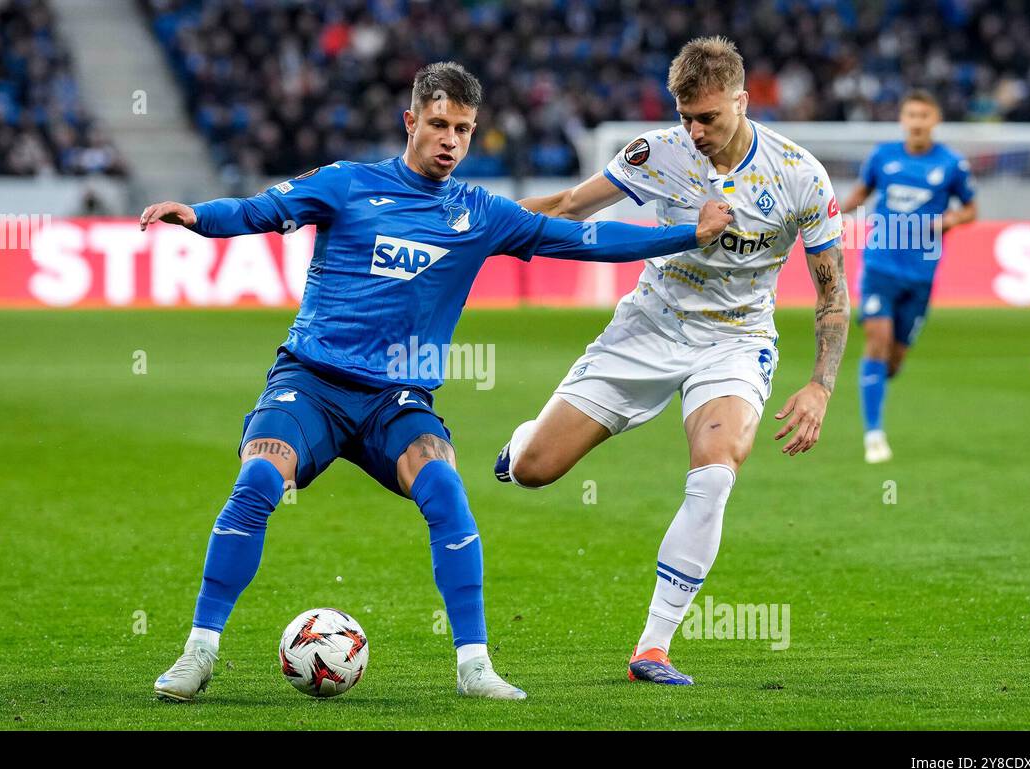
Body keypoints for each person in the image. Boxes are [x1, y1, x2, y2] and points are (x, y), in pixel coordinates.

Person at [142, 61, 733, 701]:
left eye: (465, 129)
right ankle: (198, 654)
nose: (451, 140)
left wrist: (684, 235)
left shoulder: (480, 213)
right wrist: (198, 216)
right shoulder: (347, 184)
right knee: (259, 477)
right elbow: (263, 209)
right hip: (310, 383)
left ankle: (475, 666)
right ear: (410, 121)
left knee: (446, 491)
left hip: (397, 400)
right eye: (439, 124)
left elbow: (582, 236)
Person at [493, 37, 849, 685]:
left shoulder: (800, 175)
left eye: (708, 117)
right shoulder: (660, 153)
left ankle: (652, 647)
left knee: (716, 471)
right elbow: (571, 206)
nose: (695, 130)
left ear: (743, 101)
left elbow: (832, 294)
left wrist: (821, 386)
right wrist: (475, 224)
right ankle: (518, 447)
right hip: (648, 326)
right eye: (685, 115)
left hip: (737, 339)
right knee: (533, 469)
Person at [841, 89, 977, 463]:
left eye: (924, 116)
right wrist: (833, 214)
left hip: (920, 274)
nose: (917, 122)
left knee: (894, 360)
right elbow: (861, 193)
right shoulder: (882, 157)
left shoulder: (951, 164)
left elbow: (970, 209)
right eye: (911, 115)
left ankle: (875, 384)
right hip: (880, 265)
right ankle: (874, 435)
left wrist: (950, 219)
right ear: (902, 120)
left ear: (935, 121)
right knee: (877, 342)